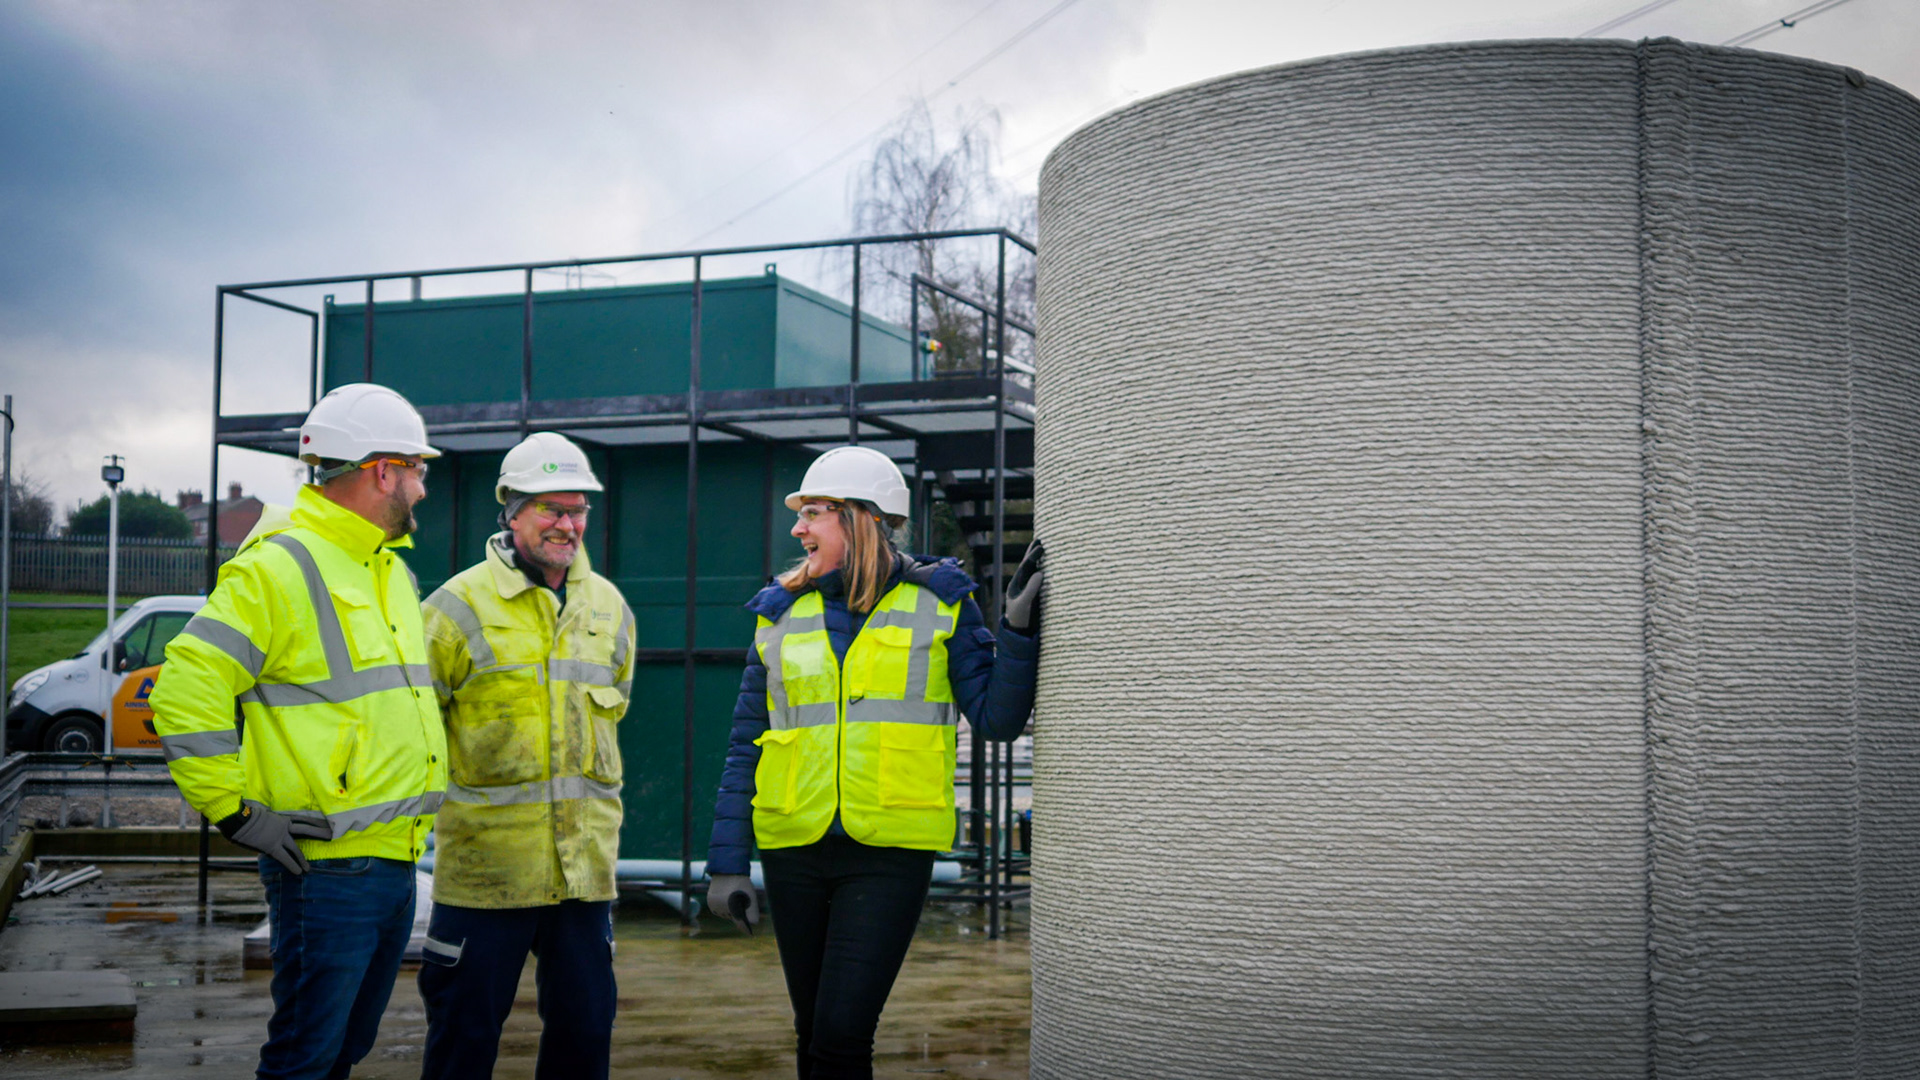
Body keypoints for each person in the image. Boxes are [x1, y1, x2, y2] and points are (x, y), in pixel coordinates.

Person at [704, 445, 1044, 1080]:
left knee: (840, 1035)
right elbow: (743, 745)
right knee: (812, 1036)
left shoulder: (940, 604)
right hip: (792, 847)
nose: (798, 528)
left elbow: (996, 721)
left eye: (813, 513)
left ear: (861, 518)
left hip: (888, 854)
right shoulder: (778, 613)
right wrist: (727, 864)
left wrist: (1018, 633)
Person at [151, 383, 446, 1080]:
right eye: (418, 470)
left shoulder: (390, 574)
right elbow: (187, 685)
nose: (424, 489)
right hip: (325, 869)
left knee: (344, 1051)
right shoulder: (278, 566)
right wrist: (232, 810)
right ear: (382, 471)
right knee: (304, 1060)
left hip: (394, 861)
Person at [416, 431, 635, 1080]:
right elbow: (418, 729)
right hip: (486, 875)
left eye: (578, 510)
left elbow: (615, 703)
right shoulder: (454, 609)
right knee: (463, 1038)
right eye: (551, 509)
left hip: (583, 876)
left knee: (585, 1034)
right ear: (510, 511)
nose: (569, 524)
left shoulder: (609, 608)